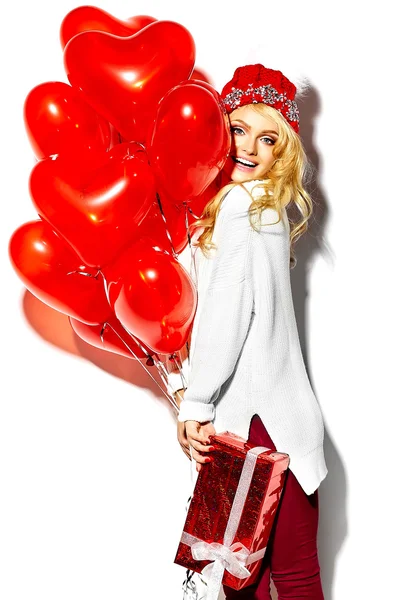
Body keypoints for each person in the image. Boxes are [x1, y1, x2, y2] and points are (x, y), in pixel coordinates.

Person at [167, 64, 328, 599]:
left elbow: (227, 317)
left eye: (268, 138)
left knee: (245, 578)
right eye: (238, 129)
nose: (250, 148)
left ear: (283, 152)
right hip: (271, 419)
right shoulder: (250, 210)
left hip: (259, 424)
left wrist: (196, 404)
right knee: (275, 575)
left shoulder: (244, 205)